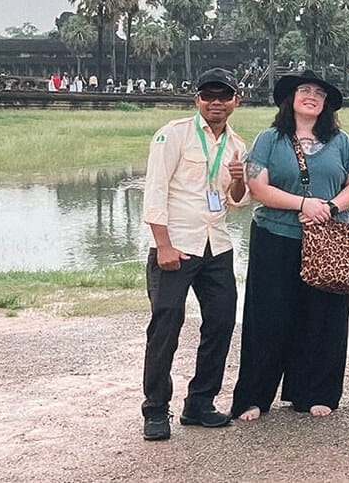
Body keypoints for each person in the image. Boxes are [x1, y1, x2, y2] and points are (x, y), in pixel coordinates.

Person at [230, 69, 349, 421]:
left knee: (324, 317)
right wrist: (304, 204)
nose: (311, 96)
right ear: (291, 98)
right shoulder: (270, 139)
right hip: (278, 235)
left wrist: (330, 207)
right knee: (269, 317)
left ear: (326, 104)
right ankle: (254, 396)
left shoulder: (341, 141)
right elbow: (258, 187)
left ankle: (316, 392)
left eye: (318, 93)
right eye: (304, 90)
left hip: (330, 239)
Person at [139, 68, 250, 441]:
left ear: (236, 100)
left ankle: (200, 402)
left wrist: (237, 177)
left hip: (216, 245)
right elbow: (154, 190)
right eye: (208, 96)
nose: (215, 102)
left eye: (223, 96)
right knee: (166, 325)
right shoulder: (173, 134)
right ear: (197, 99)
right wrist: (163, 245)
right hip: (177, 244)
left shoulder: (237, 145)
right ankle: (155, 409)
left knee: (220, 323)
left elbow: (237, 202)